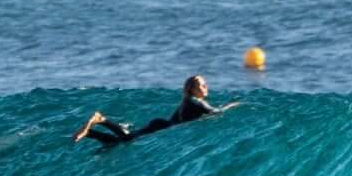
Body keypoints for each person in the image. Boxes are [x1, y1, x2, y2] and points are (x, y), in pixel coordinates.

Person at [73, 74, 237, 146]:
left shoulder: (187, 100)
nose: (206, 86)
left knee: (120, 141)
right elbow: (217, 113)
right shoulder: (196, 102)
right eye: (202, 85)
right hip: (161, 126)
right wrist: (232, 105)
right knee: (127, 138)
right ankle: (101, 119)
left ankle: (91, 133)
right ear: (193, 89)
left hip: (160, 124)